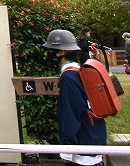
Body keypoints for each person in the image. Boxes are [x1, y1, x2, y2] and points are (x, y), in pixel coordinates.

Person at [45, 29, 106, 165]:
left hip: (81, 146)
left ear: (61, 52)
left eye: (51, 49)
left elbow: (70, 113)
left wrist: (67, 149)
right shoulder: (79, 71)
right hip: (92, 136)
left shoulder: (68, 77)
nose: (49, 53)